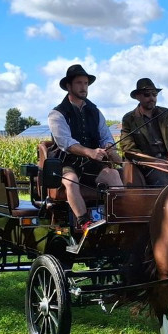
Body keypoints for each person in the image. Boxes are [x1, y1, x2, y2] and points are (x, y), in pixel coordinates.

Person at [48, 64, 123, 230]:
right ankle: (84, 222)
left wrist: (109, 147)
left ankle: (120, 220)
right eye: (79, 83)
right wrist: (90, 152)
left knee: (113, 174)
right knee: (71, 180)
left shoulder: (95, 112)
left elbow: (105, 136)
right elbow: (65, 143)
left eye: (86, 83)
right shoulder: (57, 114)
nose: (83, 87)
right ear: (69, 86)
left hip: (91, 164)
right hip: (66, 163)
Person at [118, 77, 168, 186]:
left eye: (154, 95)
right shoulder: (129, 119)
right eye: (147, 95)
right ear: (138, 97)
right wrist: (152, 162)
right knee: (163, 183)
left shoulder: (167, 114)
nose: (151, 98)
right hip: (148, 166)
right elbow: (128, 148)